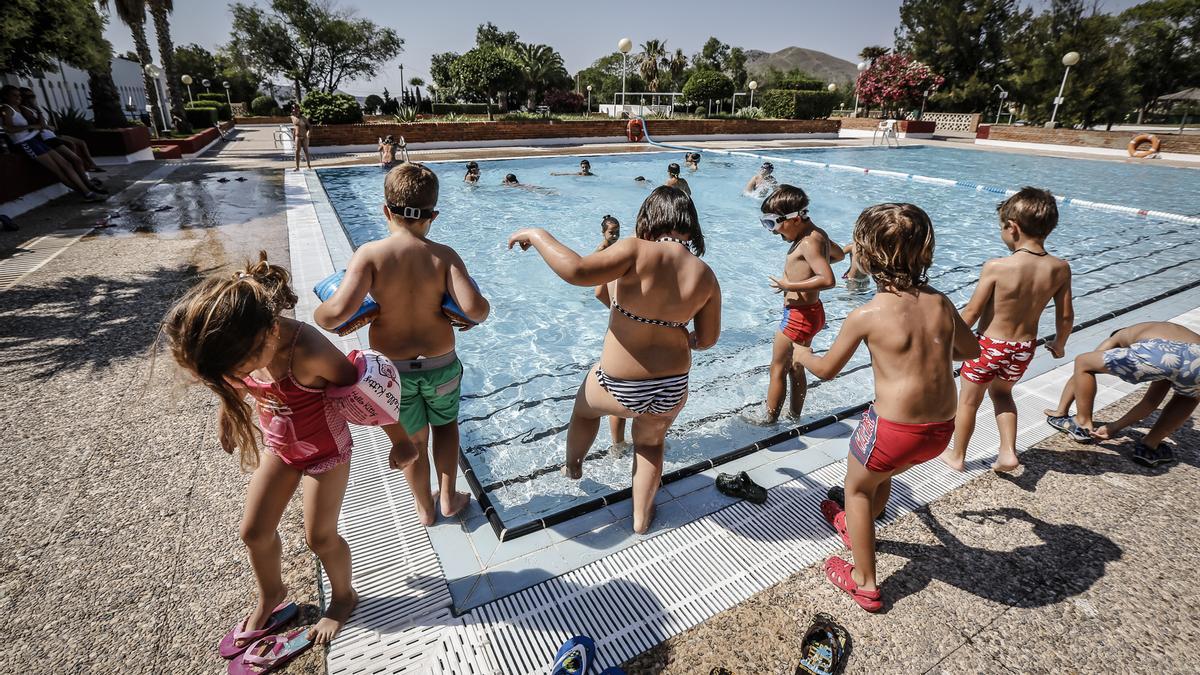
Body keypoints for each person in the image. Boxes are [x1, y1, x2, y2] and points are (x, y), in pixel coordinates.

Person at [160, 253, 361, 647]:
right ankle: (272, 593)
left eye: (239, 369)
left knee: (320, 537)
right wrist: (226, 415)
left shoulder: (309, 349)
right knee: (253, 531)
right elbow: (234, 382)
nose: (238, 378)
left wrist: (403, 441)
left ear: (269, 332)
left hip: (326, 452)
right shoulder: (242, 346)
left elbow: (362, 389)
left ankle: (344, 596)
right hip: (280, 448)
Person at [795, 203, 980, 612]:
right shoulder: (942, 303)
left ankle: (865, 583)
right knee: (884, 471)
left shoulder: (867, 314)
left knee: (856, 489)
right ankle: (860, 527)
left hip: (892, 430)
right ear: (924, 252)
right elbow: (970, 351)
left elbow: (826, 370)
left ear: (864, 254)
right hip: (939, 431)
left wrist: (801, 352)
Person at [508, 186, 721, 533]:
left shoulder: (636, 249)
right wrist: (679, 333)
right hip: (671, 387)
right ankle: (640, 519)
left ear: (646, 222)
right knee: (651, 445)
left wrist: (537, 233)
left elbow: (577, 271)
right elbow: (707, 340)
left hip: (618, 385)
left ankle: (573, 466)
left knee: (583, 409)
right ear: (690, 228)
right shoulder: (705, 274)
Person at [314, 163, 490, 526]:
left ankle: (424, 508)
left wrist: (321, 315)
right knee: (446, 426)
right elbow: (477, 311)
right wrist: (457, 312)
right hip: (440, 363)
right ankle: (448, 498)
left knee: (412, 436)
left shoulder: (370, 255)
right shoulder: (444, 255)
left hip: (392, 374)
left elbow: (332, 317)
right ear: (434, 215)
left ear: (385, 210)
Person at [941, 187, 1073, 473]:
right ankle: (1008, 453)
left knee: (968, 401)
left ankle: (958, 455)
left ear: (1012, 228)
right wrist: (1060, 344)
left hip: (988, 347)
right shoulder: (1060, 268)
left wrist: (949, 344)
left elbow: (972, 312)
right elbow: (1065, 316)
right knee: (1003, 395)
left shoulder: (997, 267)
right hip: (1024, 348)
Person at [747, 185, 841, 425]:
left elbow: (828, 279)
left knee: (778, 367)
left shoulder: (808, 243)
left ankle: (769, 419)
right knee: (795, 367)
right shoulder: (816, 235)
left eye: (774, 224)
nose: (773, 231)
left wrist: (791, 285)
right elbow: (838, 255)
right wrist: (815, 263)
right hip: (811, 313)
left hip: (798, 315)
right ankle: (795, 415)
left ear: (795, 219)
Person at [1045, 321, 1200, 467]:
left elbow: (1084, 370)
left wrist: (1061, 411)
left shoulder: (1118, 336)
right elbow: (1151, 402)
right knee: (1188, 397)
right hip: (1197, 354)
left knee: (1082, 362)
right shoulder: (1153, 331)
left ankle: (1082, 423)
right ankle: (1149, 445)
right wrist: (1112, 428)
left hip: (1160, 350)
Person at [1, 85, 104, 202]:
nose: (17, 98)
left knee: (66, 164)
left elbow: (38, 124)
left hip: (34, 139)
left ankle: (86, 189)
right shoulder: (6, 109)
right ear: (6, 96)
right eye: (14, 95)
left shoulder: (18, 108)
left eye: (18, 95)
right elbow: (8, 129)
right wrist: (31, 126)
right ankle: (86, 193)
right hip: (25, 142)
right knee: (57, 170)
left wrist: (36, 121)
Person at [592, 214, 628, 451]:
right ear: (603, 233)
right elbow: (597, 291)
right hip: (618, 315)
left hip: (619, 317)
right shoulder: (603, 252)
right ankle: (618, 444)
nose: (614, 235)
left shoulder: (619, 250)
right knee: (619, 389)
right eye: (611, 232)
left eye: (617, 231)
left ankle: (619, 443)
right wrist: (616, 308)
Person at [20, 87, 105, 179]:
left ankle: (91, 165)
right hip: (46, 136)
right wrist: (41, 115)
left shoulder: (33, 109)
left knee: (81, 142)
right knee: (72, 148)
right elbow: (40, 125)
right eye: (29, 96)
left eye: (33, 95)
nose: (32, 98)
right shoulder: (26, 110)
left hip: (51, 133)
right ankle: (81, 174)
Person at [290, 103, 312, 171]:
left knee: (306, 151)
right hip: (297, 136)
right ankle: (297, 167)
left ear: (299, 109)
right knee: (297, 151)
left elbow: (310, 127)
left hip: (304, 137)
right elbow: (295, 127)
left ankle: (308, 165)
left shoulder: (303, 118)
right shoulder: (292, 117)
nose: (295, 110)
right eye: (293, 109)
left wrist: (308, 134)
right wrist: (293, 135)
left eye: (296, 108)